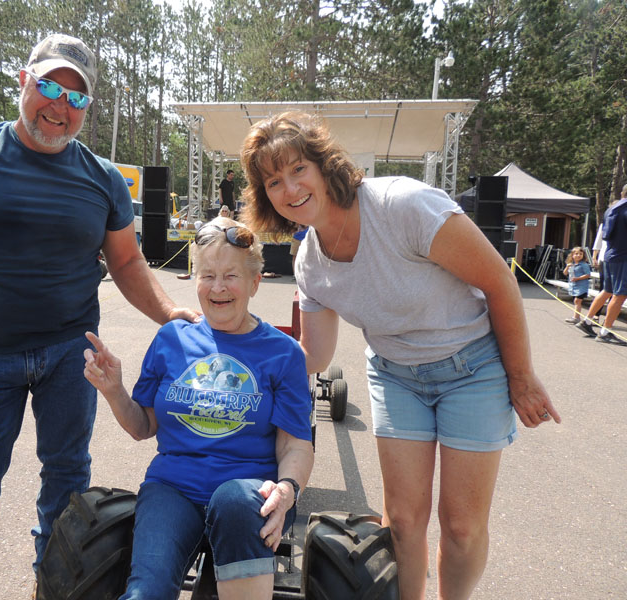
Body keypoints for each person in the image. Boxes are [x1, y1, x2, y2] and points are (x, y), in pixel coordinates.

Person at [0, 33, 198, 600]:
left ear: (87, 110)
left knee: (66, 485)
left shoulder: (102, 178)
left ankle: (55, 589)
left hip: (68, 357)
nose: (60, 105)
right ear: (23, 81)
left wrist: (169, 310)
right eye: (50, 86)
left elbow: (126, 261)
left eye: (76, 98)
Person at [239, 111, 560, 600]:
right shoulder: (309, 262)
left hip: (471, 367)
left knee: (461, 526)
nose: (291, 188)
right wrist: (243, 358)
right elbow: (316, 354)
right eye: (274, 181)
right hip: (395, 376)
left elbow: (498, 280)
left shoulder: (402, 205)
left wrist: (521, 377)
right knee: (405, 522)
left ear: (324, 165)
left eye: (298, 169)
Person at [83, 216, 314, 600]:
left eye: (231, 276)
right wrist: (114, 391)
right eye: (207, 275)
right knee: (146, 592)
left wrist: (288, 490)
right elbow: (144, 426)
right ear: (196, 281)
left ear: (255, 282)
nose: (218, 287)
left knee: (234, 501)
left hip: (248, 494)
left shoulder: (283, 352)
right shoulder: (171, 339)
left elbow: (295, 446)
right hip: (173, 488)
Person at [578, 183, 627, 344]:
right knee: (620, 295)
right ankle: (605, 331)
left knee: (607, 290)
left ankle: (586, 321)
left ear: (622, 194)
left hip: (609, 255)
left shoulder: (612, 209)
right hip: (622, 257)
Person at [562, 246, 591, 324]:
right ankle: (576, 317)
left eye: (580, 254)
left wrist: (578, 278)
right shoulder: (572, 264)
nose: (578, 255)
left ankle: (576, 317)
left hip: (582, 286)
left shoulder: (584, 265)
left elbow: (588, 275)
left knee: (577, 301)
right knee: (576, 301)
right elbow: (565, 273)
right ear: (572, 255)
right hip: (574, 286)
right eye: (576, 254)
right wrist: (567, 267)